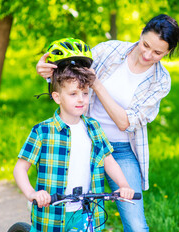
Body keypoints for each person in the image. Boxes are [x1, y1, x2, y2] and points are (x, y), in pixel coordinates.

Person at [36, 14, 179, 231]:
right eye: (145, 45)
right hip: (83, 142)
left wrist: (97, 84)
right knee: (67, 213)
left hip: (120, 150)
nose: (148, 55)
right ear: (141, 33)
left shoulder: (161, 81)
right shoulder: (109, 50)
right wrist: (46, 72)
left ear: (168, 52)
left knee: (136, 225)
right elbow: (70, 75)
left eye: (158, 52)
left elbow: (125, 122)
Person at [14, 38, 134, 232]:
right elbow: (20, 169)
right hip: (51, 215)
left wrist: (123, 184)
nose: (81, 99)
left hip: (85, 214)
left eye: (85, 93)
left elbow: (109, 160)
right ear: (57, 97)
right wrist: (32, 194)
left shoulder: (93, 127)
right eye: (73, 94)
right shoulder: (43, 131)